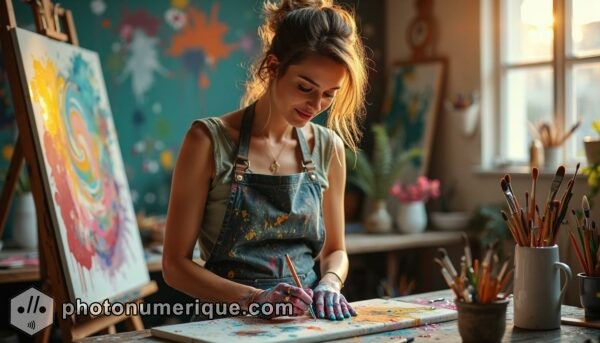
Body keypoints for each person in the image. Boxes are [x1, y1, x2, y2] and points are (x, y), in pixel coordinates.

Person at [162, 0, 368, 321]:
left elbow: (335, 252)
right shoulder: (208, 140)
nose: (316, 104)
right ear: (273, 67)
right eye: (305, 87)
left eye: (329, 93)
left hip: (302, 321)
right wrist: (254, 298)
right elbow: (174, 266)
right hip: (225, 323)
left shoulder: (328, 148)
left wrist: (330, 282)